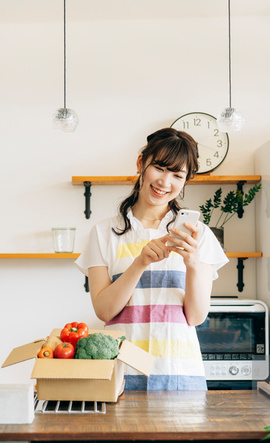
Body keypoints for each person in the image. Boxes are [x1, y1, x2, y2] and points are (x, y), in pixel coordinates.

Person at [75, 127, 228, 391]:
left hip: (179, 374)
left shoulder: (198, 235)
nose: (165, 182)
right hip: (120, 375)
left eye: (177, 175)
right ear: (141, 164)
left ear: (185, 181)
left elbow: (196, 316)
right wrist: (139, 263)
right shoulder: (103, 233)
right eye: (159, 168)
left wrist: (192, 265)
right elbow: (104, 310)